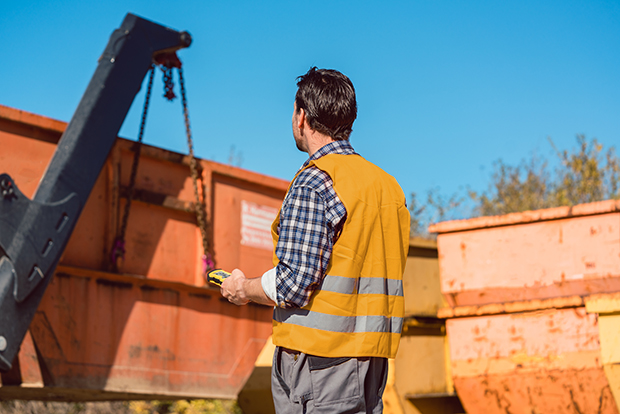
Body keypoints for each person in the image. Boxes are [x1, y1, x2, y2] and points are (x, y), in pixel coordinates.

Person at [220, 67, 410, 414]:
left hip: (321, 361)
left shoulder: (315, 182)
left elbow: (295, 284)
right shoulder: (388, 187)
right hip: (372, 358)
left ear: (301, 117)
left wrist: (242, 289)